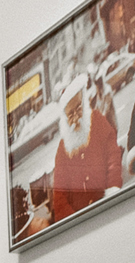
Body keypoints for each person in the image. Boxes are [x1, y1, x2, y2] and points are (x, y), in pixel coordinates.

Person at [46, 73, 121, 225]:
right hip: (79, 222)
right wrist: (73, 222)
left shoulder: (97, 120)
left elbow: (113, 155)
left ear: (84, 105)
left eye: (78, 109)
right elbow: (59, 195)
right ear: (65, 119)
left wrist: (112, 188)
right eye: (70, 114)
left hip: (106, 208)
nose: (76, 117)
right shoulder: (62, 148)